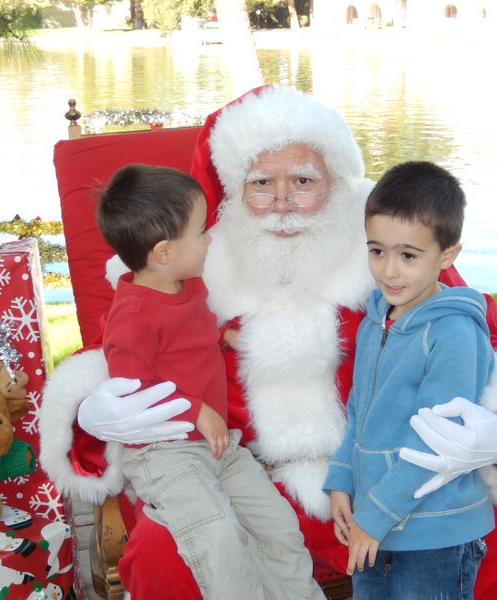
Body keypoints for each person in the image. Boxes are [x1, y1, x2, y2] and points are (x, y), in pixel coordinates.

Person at [40, 85, 497, 600]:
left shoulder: (386, 251)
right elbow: (120, 354)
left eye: (303, 180)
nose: (281, 204)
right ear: (231, 191)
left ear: (335, 182)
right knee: (162, 558)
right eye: (260, 184)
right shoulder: (189, 265)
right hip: (241, 478)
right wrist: (91, 412)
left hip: (381, 474)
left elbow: (486, 344)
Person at [92, 163, 324, 600]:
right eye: (200, 232)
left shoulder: (188, 285)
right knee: (217, 536)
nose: (209, 238)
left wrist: (223, 337)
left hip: (219, 446)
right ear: (163, 252)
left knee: (278, 526)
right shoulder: (132, 319)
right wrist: (196, 410)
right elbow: (133, 392)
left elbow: (187, 340)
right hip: (166, 454)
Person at [324, 161, 495, 599]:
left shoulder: (453, 332)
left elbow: (438, 442)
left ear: (448, 255)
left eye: (408, 255)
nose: (389, 271)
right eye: (376, 251)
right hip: (375, 523)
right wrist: (342, 477)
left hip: (433, 535)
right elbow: (360, 408)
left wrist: (375, 515)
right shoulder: (375, 319)